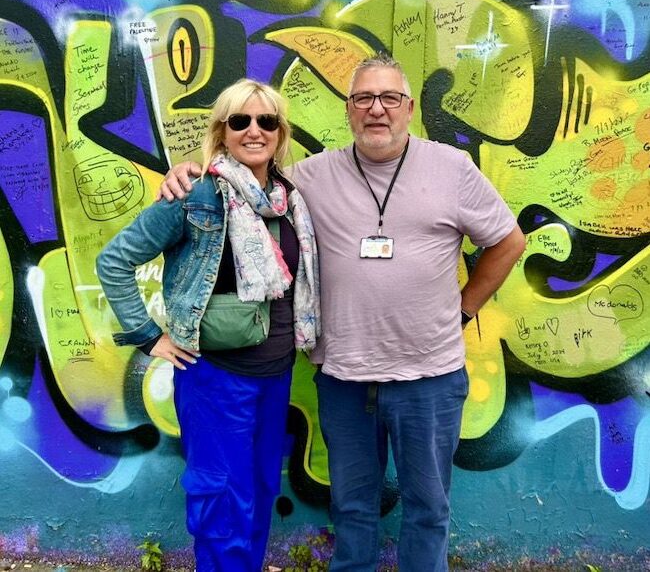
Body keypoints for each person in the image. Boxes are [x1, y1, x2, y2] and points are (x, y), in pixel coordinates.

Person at [158, 55, 526, 572]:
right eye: (363, 99)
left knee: (428, 508)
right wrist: (188, 172)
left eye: (389, 98)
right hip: (345, 378)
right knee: (352, 507)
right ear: (349, 110)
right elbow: (244, 180)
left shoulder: (453, 169)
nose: (377, 109)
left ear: (410, 108)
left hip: (429, 377)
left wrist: (465, 311)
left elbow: (508, 242)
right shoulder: (309, 178)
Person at [96, 79, 320, 572]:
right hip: (215, 375)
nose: (254, 130)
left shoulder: (290, 200)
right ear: (222, 131)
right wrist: (148, 336)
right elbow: (114, 261)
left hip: (275, 371)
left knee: (260, 489)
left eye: (267, 121)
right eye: (240, 120)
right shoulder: (193, 196)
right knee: (221, 498)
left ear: (281, 133)